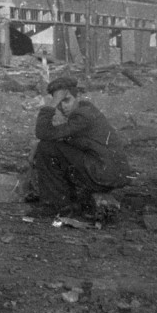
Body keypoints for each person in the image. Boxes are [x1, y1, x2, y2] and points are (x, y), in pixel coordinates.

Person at [30, 76, 131, 217]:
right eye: (59, 102)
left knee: (46, 148)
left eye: (66, 100)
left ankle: (55, 205)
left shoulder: (82, 115)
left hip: (103, 174)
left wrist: (52, 103)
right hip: (107, 171)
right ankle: (69, 200)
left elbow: (42, 132)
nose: (62, 106)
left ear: (77, 97)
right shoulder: (85, 110)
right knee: (54, 147)